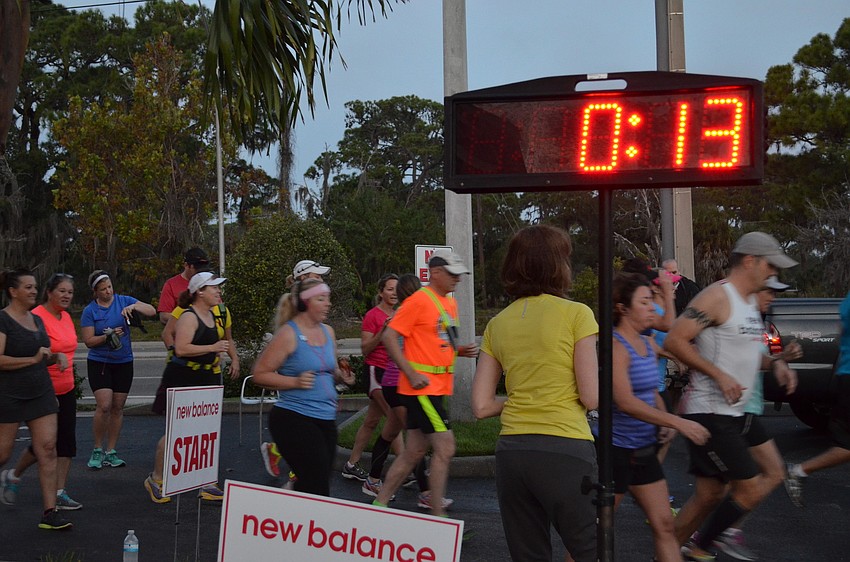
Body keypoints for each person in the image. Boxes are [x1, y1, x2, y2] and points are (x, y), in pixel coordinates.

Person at [663, 232, 798, 561]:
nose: (773, 274)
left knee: (712, 494)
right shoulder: (716, 297)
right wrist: (718, 375)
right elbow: (674, 341)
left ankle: (668, 554)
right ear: (749, 261)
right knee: (747, 487)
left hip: (736, 412)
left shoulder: (751, 302)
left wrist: (776, 363)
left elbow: (750, 356)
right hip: (710, 411)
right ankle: (699, 549)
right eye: (770, 265)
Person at [470, 225, 598, 562]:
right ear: (559, 265)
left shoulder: (497, 324)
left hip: (513, 451)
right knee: (591, 550)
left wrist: (520, 399)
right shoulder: (577, 314)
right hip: (565, 446)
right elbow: (591, 397)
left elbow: (481, 406)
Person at [610, 272, 710, 562]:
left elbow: (646, 388)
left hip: (643, 450)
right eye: (644, 302)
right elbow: (626, 401)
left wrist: (662, 411)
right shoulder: (616, 346)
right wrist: (676, 421)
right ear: (622, 308)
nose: (652, 308)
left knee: (665, 526)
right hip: (617, 451)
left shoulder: (647, 342)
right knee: (595, 531)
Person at [372, 250, 478, 517]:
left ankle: (379, 505)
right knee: (446, 447)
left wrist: (458, 351)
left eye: (459, 274)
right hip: (421, 390)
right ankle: (437, 516)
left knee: (414, 450)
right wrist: (410, 373)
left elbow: (436, 340)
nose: (458, 279)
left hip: (435, 389)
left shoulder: (447, 303)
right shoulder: (418, 300)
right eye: (452, 274)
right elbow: (389, 336)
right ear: (436, 273)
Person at [713, 275, 801, 561]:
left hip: (747, 409)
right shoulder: (735, 317)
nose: (772, 298)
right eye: (769, 291)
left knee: (746, 480)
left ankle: (715, 534)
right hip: (730, 410)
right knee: (724, 486)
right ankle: (713, 535)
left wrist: (781, 360)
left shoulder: (754, 319)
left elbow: (759, 359)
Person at [251, 278, 355, 496]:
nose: (328, 304)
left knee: (316, 482)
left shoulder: (328, 332)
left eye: (328, 298)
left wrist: (341, 377)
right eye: (321, 299)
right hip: (294, 417)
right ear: (305, 303)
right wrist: (294, 382)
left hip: (325, 418)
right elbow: (259, 374)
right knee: (317, 485)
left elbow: (329, 371)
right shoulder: (289, 334)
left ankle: (283, 507)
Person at [143, 272, 232, 503]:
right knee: (177, 431)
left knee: (206, 431)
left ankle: (206, 482)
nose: (218, 291)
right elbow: (181, 348)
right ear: (199, 291)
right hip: (183, 377)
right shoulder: (189, 317)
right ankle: (156, 479)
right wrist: (213, 347)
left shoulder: (214, 314)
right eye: (214, 288)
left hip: (206, 378)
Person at [363, 274, 448, 509]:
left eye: (394, 289)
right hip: (398, 384)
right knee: (418, 446)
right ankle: (426, 493)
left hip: (399, 384)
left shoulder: (412, 311)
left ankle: (373, 481)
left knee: (391, 434)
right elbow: (395, 347)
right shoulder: (407, 313)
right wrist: (412, 372)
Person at [3, 273, 82, 512]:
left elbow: (47, 354)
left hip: (50, 390)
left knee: (53, 446)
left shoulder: (48, 320)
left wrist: (56, 357)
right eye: (27, 287)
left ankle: (53, 506)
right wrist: (34, 359)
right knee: (6, 452)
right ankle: (12, 474)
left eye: (34, 287)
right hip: (15, 391)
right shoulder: (15, 319)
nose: (32, 291)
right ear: (12, 291)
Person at [260, 258, 331, 478]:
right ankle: (297, 476)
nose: (321, 280)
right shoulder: (294, 310)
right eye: (316, 276)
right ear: (303, 279)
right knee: (309, 465)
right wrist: (295, 380)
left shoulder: (316, 308)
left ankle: (277, 452)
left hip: (316, 404)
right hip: (295, 401)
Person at [80, 270, 156, 470]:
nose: (108, 292)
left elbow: (152, 311)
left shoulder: (123, 300)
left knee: (118, 406)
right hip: (100, 362)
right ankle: (97, 448)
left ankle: (111, 451)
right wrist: (108, 336)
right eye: (103, 289)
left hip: (123, 361)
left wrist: (134, 306)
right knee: (104, 405)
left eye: (110, 287)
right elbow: (88, 341)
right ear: (95, 292)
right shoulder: (90, 311)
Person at [785, 284, 850, 508]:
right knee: (846, 446)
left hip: (844, 375)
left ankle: (801, 470)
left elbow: (843, 333)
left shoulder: (847, 300)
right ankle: (800, 470)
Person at [342, 274, 403, 483]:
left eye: (397, 289)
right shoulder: (372, 316)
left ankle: (351, 464)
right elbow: (365, 349)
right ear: (380, 292)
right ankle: (408, 468)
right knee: (395, 418)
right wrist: (383, 332)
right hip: (375, 372)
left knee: (371, 422)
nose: (394, 293)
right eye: (389, 289)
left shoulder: (400, 314)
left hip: (393, 373)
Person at [157, 247, 210, 325]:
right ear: (186, 265)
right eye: (196, 268)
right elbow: (164, 316)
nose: (200, 271)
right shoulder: (171, 284)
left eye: (203, 268)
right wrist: (189, 321)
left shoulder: (209, 283)